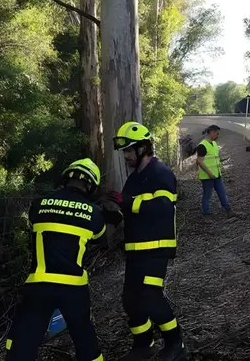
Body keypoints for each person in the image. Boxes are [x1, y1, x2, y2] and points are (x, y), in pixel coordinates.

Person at [5, 158, 106, 361]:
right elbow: (102, 241)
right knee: (85, 340)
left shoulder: (38, 205)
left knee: (22, 342)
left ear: (66, 178)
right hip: (74, 288)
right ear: (91, 185)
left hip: (39, 286)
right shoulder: (94, 213)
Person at [107, 121, 186, 361]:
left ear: (143, 148)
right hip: (135, 251)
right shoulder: (133, 180)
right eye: (124, 151)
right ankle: (143, 344)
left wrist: (129, 203)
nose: (126, 156)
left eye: (130, 150)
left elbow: (163, 207)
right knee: (130, 300)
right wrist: (113, 216)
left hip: (156, 249)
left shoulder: (160, 173)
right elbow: (130, 211)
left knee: (150, 297)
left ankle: (176, 344)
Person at [196, 124, 231, 215]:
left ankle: (228, 210)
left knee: (222, 193)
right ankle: (206, 214)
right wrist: (209, 174)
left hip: (217, 175)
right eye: (216, 133)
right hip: (207, 177)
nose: (217, 135)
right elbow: (199, 161)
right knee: (207, 196)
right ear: (211, 132)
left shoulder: (214, 143)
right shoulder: (202, 145)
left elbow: (215, 158)